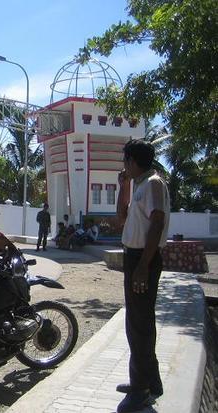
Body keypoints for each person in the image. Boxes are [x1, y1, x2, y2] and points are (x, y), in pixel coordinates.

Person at [115, 139, 170, 413]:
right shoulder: (138, 185)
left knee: (140, 325)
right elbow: (121, 218)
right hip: (134, 256)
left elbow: (157, 222)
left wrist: (143, 266)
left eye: (125, 160)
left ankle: (143, 388)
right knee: (136, 323)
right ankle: (146, 381)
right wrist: (123, 186)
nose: (123, 165)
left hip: (142, 258)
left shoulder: (154, 184)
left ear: (133, 160)